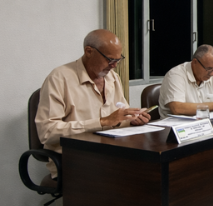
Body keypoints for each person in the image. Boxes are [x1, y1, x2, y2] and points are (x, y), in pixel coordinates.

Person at [36, 30, 150, 179]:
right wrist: (102, 122)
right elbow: (47, 132)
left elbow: (118, 117)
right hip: (75, 160)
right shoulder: (59, 78)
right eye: (110, 60)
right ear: (89, 51)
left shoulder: (112, 78)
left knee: (150, 171)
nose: (114, 66)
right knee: (134, 178)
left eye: (118, 60)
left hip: (111, 154)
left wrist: (132, 119)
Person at [159, 45, 213, 118]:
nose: (212, 73)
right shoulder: (176, 75)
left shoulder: (211, 76)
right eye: (208, 68)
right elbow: (177, 108)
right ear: (195, 62)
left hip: (204, 125)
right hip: (175, 130)